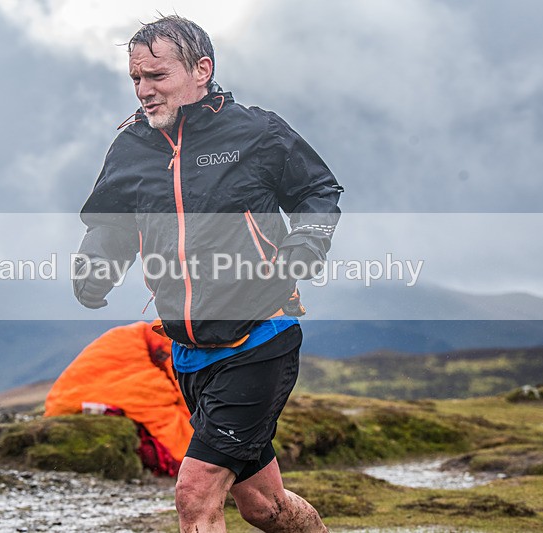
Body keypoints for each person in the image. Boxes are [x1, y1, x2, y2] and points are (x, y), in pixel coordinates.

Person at [73, 15, 342, 533]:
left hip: (260, 335)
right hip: (190, 351)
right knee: (264, 505)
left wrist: (306, 240)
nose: (144, 91)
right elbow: (113, 222)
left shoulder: (256, 131)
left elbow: (318, 191)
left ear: (202, 69)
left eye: (157, 76)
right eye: (136, 79)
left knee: (195, 493)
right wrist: (95, 267)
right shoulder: (132, 144)